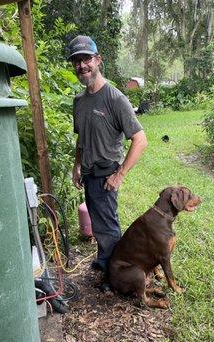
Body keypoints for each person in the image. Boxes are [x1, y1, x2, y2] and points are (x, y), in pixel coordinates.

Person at [68, 35, 147, 272]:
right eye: (77, 61)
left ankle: (116, 273)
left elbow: (140, 140)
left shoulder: (115, 98)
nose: (82, 65)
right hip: (89, 173)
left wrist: (120, 174)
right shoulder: (79, 101)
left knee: (107, 226)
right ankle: (105, 261)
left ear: (98, 60)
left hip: (106, 175)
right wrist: (77, 165)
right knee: (97, 220)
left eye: (87, 59)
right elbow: (81, 136)